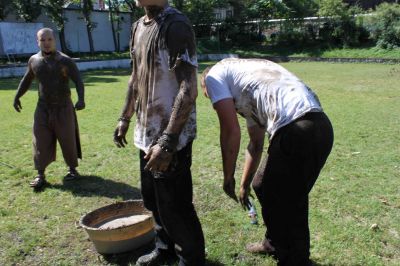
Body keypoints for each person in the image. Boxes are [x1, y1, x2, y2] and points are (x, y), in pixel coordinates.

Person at [201, 58, 334, 266]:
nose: (213, 102)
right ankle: (274, 244)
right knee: (277, 191)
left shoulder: (213, 76)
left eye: (209, 96)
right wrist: (244, 185)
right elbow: (255, 144)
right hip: (321, 127)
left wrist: (228, 177)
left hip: (297, 128)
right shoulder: (247, 86)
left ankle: (293, 259)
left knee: (281, 196)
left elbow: (230, 131)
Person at [113, 1, 205, 265]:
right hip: (146, 133)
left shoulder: (175, 25)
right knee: (152, 201)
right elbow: (135, 76)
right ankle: (164, 250)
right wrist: (125, 116)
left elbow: (189, 88)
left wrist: (167, 141)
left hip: (170, 138)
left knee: (175, 207)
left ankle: (192, 259)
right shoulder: (137, 27)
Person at [13, 28, 85, 189]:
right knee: (39, 140)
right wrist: (17, 96)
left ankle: (72, 169)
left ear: (54, 40)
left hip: (63, 107)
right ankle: (40, 174)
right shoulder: (33, 60)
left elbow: (78, 81)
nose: (46, 43)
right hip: (43, 108)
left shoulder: (65, 60)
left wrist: (81, 99)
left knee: (67, 139)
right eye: (42, 40)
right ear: (37, 41)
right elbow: (26, 79)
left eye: (49, 39)